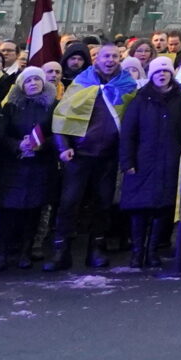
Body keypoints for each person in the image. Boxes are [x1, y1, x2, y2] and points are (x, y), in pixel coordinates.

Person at [47, 44, 126, 272]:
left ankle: (96, 249)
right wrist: (63, 146)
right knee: (69, 203)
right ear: (96, 59)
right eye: (106, 56)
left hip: (109, 156)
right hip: (79, 154)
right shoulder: (81, 83)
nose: (110, 60)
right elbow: (62, 116)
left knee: (102, 204)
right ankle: (61, 251)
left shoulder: (127, 86)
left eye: (114, 56)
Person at [115, 58, 181, 270]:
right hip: (142, 162)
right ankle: (137, 252)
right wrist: (127, 161)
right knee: (139, 209)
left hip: (170, 163)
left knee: (162, 209)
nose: (162, 75)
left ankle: (152, 251)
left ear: (171, 74)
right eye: (157, 72)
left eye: (166, 72)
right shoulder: (139, 100)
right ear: (151, 75)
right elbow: (128, 134)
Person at [0, 66, 58, 271]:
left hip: (40, 165)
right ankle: (1, 252)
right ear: (21, 85)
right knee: (9, 212)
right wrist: (17, 144)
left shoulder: (53, 106)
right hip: (13, 165)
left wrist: (42, 145)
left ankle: (25, 252)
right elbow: (1, 134)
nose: (33, 83)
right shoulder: (10, 107)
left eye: (37, 80)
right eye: (28, 81)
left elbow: (59, 134)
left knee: (33, 212)